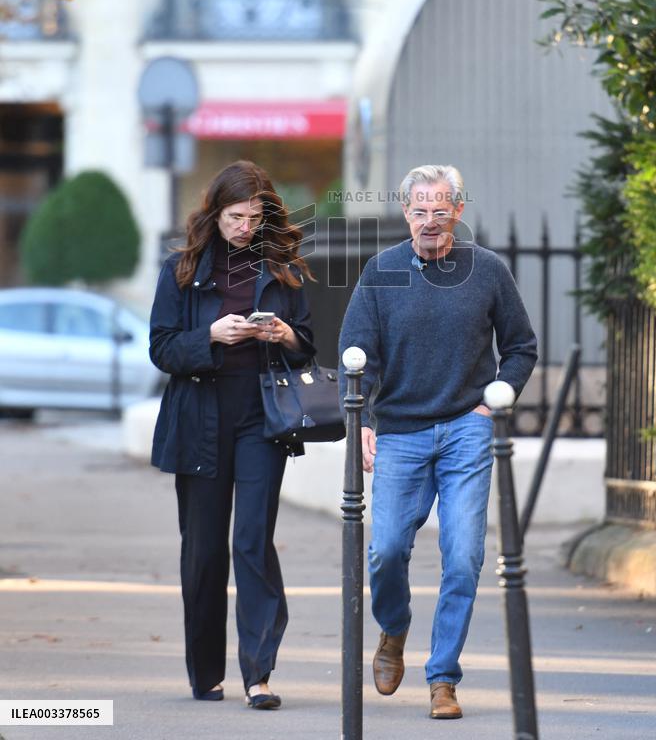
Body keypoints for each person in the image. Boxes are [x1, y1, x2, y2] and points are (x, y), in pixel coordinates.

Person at [338, 164, 537, 720]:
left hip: (466, 427)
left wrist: (493, 399)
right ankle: (394, 629)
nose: (430, 220)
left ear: (458, 211)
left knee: (465, 555)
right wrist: (365, 422)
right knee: (388, 549)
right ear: (406, 213)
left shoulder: (488, 270)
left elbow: (521, 346)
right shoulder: (380, 272)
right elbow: (355, 352)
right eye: (419, 210)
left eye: (440, 209)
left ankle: (443, 678)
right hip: (399, 429)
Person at [149, 160, 315, 710]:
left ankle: (259, 674)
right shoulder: (182, 269)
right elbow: (162, 348)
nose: (245, 226)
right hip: (199, 419)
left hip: (261, 419)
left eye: (255, 217)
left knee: (251, 541)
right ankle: (206, 673)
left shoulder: (284, 268)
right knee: (203, 552)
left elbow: (307, 345)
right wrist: (211, 336)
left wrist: (286, 334)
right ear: (215, 213)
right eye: (235, 216)